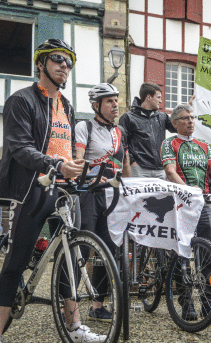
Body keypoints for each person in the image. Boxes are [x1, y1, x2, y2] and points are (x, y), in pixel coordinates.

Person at [0, 39, 106, 343]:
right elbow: (19, 147)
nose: (65, 66)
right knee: (17, 259)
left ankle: (74, 325)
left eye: (69, 63)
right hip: (33, 187)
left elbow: (66, 149)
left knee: (70, 258)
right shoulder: (22, 100)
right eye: (58, 60)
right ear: (41, 63)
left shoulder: (66, 104)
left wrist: (77, 169)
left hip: (63, 188)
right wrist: (55, 164)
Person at [160, 103, 211, 320]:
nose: (191, 121)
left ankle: (209, 302)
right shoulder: (169, 143)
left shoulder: (203, 145)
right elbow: (170, 171)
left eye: (193, 117)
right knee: (182, 252)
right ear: (175, 122)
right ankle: (186, 302)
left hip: (202, 203)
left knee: (209, 253)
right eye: (186, 118)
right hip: (180, 203)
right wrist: (187, 191)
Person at [75, 83, 130, 322]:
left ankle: (97, 305)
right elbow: (78, 160)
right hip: (88, 192)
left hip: (112, 195)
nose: (115, 104)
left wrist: (129, 186)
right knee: (83, 248)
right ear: (97, 106)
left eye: (116, 100)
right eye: (109, 101)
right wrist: (91, 174)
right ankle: (70, 304)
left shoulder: (120, 133)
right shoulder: (84, 127)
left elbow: (125, 164)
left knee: (107, 250)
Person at [119, 82, 176, 179]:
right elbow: (122, 143)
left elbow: (179, 128)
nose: (161, 101)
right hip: (138, 169)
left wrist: (186, 111)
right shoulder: (128, 117)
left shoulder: (163, 117)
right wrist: (132, 162)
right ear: (148, 97)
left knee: (162, 195)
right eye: (158, 97)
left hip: (160, 169)